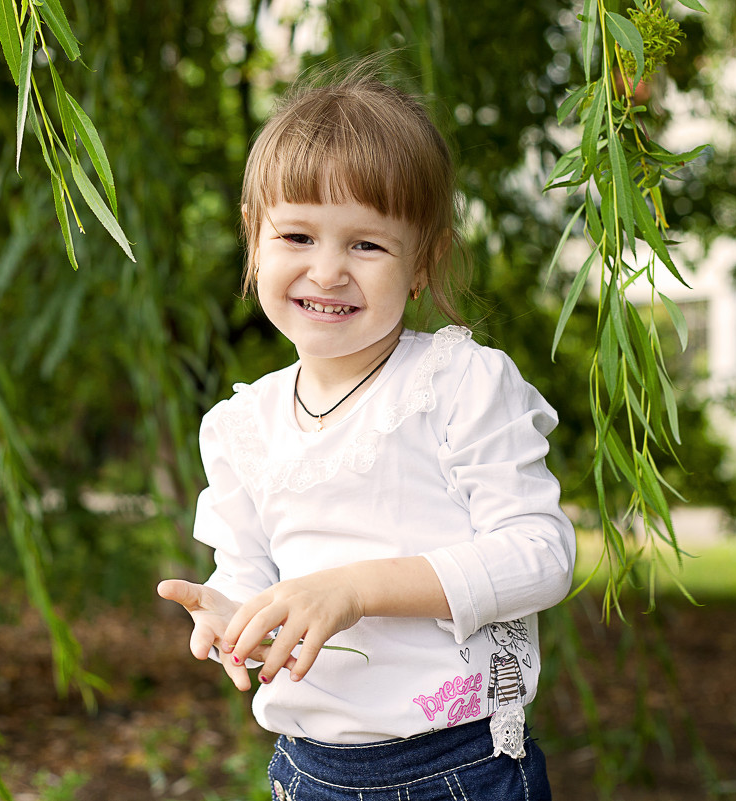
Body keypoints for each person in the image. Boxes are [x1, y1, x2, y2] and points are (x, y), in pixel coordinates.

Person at [157, 68, 575, 801]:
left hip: (458, 767)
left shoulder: (457, 383)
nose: (327, 269)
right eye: (296, 234)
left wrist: (354, 590)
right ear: (254, 244)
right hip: (306, 770)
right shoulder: (240, 425)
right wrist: (233, 609)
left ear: (423, 263)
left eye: (367, 246)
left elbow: (539, 554)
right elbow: (248, 562)